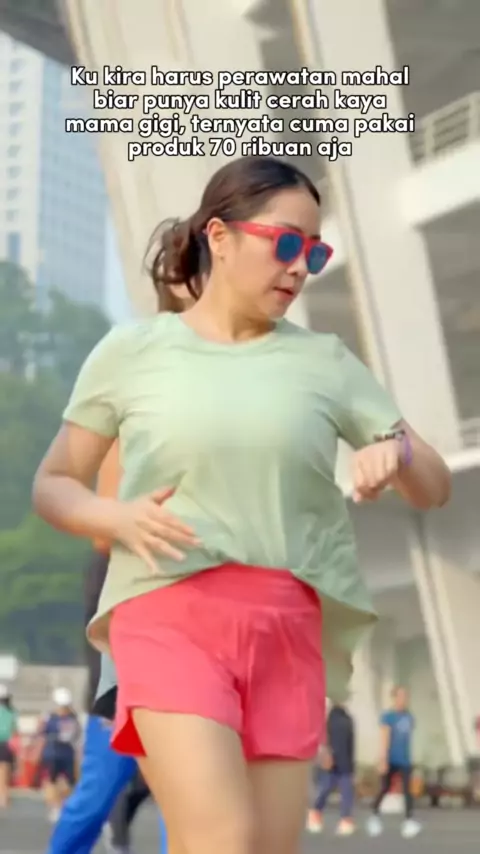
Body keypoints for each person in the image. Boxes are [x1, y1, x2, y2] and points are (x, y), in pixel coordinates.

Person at [32, 155, 451, 854]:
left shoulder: (325, 362)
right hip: (166, 611)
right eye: (284, 242)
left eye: (314, 251)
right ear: (219, 237)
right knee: (220, 839)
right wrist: (117, 517)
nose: (300, 266)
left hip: (285, 629)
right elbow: (54, 483)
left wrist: (399, 451)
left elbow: (434, 487)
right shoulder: (133, 352)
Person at [367, 686, 420, 839]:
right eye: (400, 696)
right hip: (390, 759)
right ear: (394, 698)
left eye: (405, 696)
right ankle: (374, 816)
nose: (403, 699)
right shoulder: (388, 717)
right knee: (385, 788)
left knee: (407, 791)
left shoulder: (409, 717)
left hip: (405, 759)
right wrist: (383, 759)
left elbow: (407, 739)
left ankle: (408, 821)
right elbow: (385, 737)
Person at [307, 701, 356, 836]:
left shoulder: (342, 720)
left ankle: (344, 819)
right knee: (332, 790)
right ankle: (318, 814)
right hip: (338, 762)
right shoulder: (334, 719)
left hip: (338, 762)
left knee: (339, 790)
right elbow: (323, 740)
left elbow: (348, 743)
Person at [38, 687, 81, 823]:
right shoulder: (69, 718)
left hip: (60, 753)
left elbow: (41, 733)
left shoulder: (66, 718)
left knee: (60, 782)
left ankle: (59, 807)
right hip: (57, 753)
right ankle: (57, 807)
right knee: (56, 781)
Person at [0, 684, 17, 809]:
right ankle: (4, 797)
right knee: (5, 772)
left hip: (4, 743)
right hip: (6, 744)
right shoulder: (12, 712)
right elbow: (14, 730)